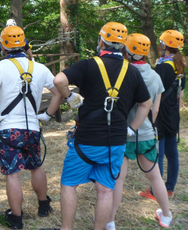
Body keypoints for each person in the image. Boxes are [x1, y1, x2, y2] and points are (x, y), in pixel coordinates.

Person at [53, 22, 153, 230]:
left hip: (86, 140)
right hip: (115, 141)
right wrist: (132, 128)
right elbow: (146, 104)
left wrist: (70, 97)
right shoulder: (132, 71)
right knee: (106, 190)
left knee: (69, 184)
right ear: (124, 45)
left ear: (101, 41)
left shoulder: (89, 64)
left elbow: (59, 80)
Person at [0, 25, 62, 229]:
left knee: (13, 173)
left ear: (3, 47)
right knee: (36, 166)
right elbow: (58, 92)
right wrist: (47, 115)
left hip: (8, 128)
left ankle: (16, 219)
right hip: (32, 128)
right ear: (24, 44)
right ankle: (44, 206)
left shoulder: (0, 67)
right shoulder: (40, 67)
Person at [107, 33, 172, 230]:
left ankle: (110, 220)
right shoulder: (155, 76)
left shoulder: (121, 72)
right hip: (145, 134)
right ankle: (166, 215)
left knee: (118, 179)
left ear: (126, 50)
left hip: (122, 134)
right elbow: (155, 109)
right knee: (155, 177)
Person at [139, 30, 186, 202]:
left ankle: (155, 190)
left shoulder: (162, 66)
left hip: (161, 115)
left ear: (164, 45)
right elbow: (180, 94)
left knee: (158, 153)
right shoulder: (179, 65)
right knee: (172, 153)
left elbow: (153, 91)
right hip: (173, 114)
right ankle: (169, 188)